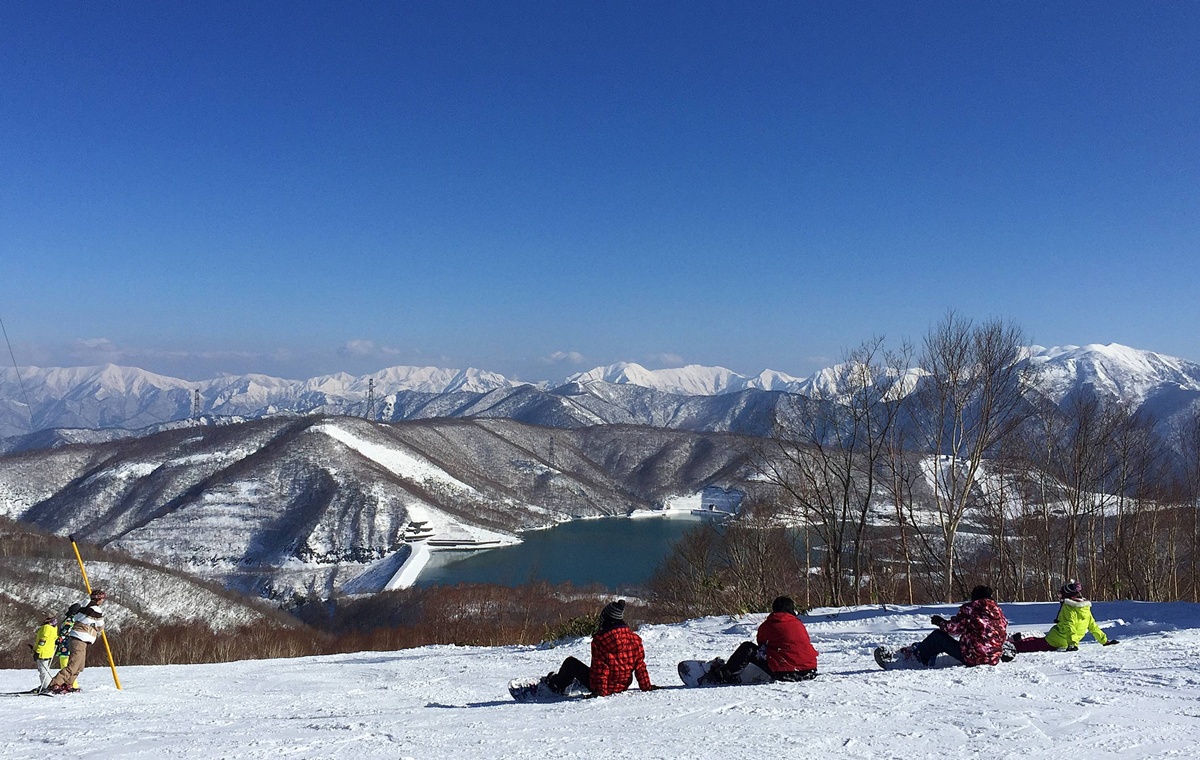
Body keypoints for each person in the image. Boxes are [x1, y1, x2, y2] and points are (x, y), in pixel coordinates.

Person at [879, 585, 1009, 668]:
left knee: (938, 637)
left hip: (974, 658)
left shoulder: (971, 609)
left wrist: (940, 622)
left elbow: (953, 629)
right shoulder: (998, 612)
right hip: (993, 658)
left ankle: (915, 657)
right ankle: (923, 652)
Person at [545, 599, 655, 696]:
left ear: (607, 620)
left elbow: (601, 668)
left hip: (604, 688)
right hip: (623, 686)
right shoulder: (635, 639)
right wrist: (647, 686)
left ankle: (557, 685)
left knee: (570, 663)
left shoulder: (601, 640)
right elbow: (640, 666)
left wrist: (599, 692)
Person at [706, 595, 818, 683]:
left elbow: (761, 644)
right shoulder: (799, 624)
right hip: (810, 670)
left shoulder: (769, 624)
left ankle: (725, 674)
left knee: (747, 647)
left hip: (786, 673)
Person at [1011, 580, 1118, 653]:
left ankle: (1012, 646)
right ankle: (1017, 640)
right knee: (1036, 640)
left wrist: (1073, 644)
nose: (1059, 597)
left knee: (1031, 644)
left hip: (1056, 640)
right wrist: (1105, 641)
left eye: (1061, 595)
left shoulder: (1069, 608)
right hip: (1063, 639)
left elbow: (1069, 626)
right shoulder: (1085, 608)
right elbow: (1093, 626)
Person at [46, 589, 106, 694]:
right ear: (98, 599)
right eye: (102, 598)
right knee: (73, 665)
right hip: (79, 638)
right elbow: (100, 626)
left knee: (80, 665)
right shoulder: (95, 609)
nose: (103, 601)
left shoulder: (84, 607)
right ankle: (55, 683)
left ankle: (68, 683)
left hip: (80, 639)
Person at [30, 615, 58, 693]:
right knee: (45, 668)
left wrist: (37, 651)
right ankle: (47, 685)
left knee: (43, 670)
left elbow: (43, 640)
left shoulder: (46, 627)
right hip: (48, 650)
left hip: (43, 651)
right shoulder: (54, 626)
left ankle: (46, 686)